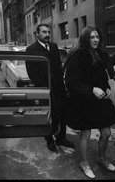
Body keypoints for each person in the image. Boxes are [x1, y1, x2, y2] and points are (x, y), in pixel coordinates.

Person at [64, 26, 115, 179]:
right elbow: (71, 82)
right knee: (86, 134)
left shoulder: (100, 53)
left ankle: (101, 159)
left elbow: (102, 76)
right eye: (92, 37)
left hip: (99, 99)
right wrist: (91, 89)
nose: (95, 40)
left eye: (97, 37)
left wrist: (107, 87)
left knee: (106, 132)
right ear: (85, 39)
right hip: (83, 100)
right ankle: (84, 163)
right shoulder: (78, 55)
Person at [25, 23, 74, 152]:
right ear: (37, 34)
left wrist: (62, 82)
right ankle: (49, 139)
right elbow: (31, 72)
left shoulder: (53, 46)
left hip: (59, 87)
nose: (47, 34)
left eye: (48, 32)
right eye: (44, 32)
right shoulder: (31, 49)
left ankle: (61, 138)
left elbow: (58, 66)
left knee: (62, 112)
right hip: (45, 89)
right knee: (48, 114)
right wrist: (43, 86)